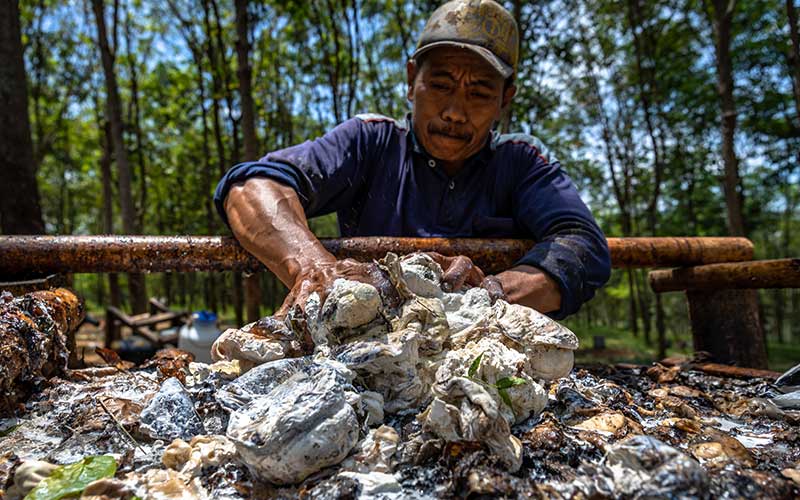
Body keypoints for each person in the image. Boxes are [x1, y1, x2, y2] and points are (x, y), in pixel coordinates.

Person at [214, 0, 611, 319]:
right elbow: (254, 186)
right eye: (440, 85)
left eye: (479, 93)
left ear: (505, 100)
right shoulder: (371, 141)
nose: (455, 111)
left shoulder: (521, 161)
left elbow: (582, 245)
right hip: (369, 352)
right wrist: (313, 268)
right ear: (410, 80)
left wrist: (490, 293)